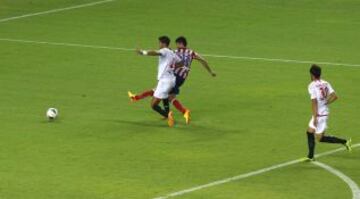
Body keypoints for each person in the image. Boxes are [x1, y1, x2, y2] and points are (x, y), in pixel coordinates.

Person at [129, 36, 182, 127]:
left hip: (164, 81)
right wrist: (172, 66)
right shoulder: (172, 53)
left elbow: (155, 52)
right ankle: (167, 112)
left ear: (163, 43)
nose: (159, 45)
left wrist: (143, 52)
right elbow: (181, 63)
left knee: (153, 105)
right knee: (164, 96)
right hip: (171, 80)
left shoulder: (164, 50)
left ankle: (169, 116)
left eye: (159, 43)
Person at [305, 64, 352, 161]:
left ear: (312, 75)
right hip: (323, 112)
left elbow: (314, 102)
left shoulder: (312, 86)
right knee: (309, 132)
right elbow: (335, 96)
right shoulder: (326, 83)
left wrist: (315, 117)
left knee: (319, 138)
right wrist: (326, 102)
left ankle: (345, 141)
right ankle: (310, 156)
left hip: (319, 115)